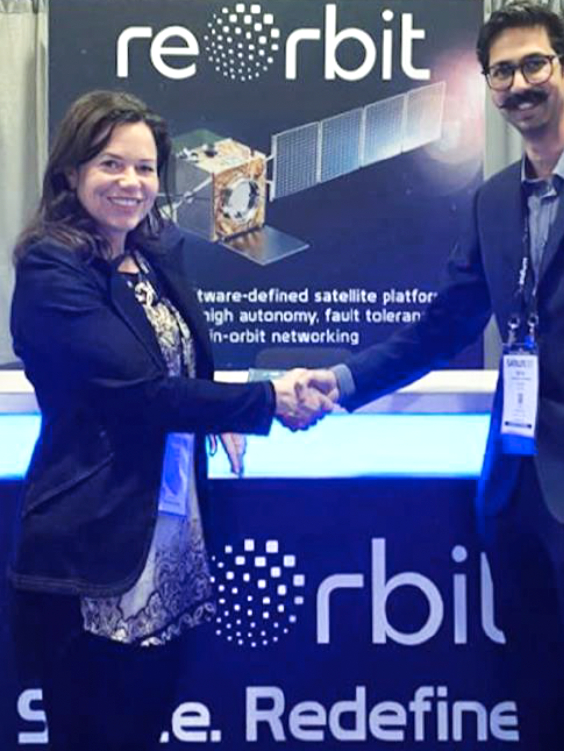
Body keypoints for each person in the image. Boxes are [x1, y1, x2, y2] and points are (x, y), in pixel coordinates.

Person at [304, 1, 564, 751]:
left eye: (534, 65)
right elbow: (444, 324)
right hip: (513, 492)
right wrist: (343, 381)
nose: (519, 84)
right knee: (534, 694)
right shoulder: (494, 198)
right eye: (502, 72)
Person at [8, 89, 334, 751]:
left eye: (145, 167)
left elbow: (182, 360)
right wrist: (266, 400)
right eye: (110, 164)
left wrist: (216, 411)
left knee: (146, 721)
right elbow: (138, 391)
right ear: (71, 172)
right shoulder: (51, 267)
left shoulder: (154, 255)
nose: (131, 182)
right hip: (96, 550)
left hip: (172, 538)